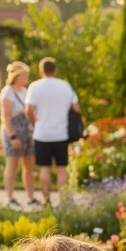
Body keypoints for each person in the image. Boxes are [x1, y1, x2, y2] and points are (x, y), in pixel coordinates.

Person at [25, 57, 79, 207]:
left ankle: (46, 200)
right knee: (62, 168)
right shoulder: (65, 86)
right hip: (61, 134)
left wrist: (35, 123)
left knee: (45, 167)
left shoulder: (35, 86)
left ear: (41, 70)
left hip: (42, 133)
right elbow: (76, 108)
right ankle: (63, 201)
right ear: (55, 70)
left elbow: (28, 110)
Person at [0, 61, 36, 209]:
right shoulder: (7, 91)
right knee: (12, 165)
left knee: (29, 166)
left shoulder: (25, 90)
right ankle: (9, 197)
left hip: (27, 132)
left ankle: (31, 197)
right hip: (13, 132)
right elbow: (5, 116)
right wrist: (12, 137)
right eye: (24, 75)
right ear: (17, 76)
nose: (26, 77)